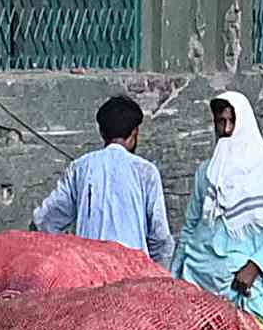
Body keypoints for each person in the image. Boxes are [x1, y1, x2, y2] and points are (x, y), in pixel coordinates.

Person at [175, 90, 263, 328]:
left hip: (242, 287)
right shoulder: (207, 172)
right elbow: (191, 225)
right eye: (221, 122)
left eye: (232, 121)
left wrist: (254, 267)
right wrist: (175, 273)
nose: (227, 129)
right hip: (199, 277)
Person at [29, 92, 177, 264]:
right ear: (135, 132)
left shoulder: (80, 168)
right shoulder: (145, 172)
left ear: (101, 132)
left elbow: (45, 220)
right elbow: (160, 238)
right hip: (135, 273)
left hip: (90, 271)